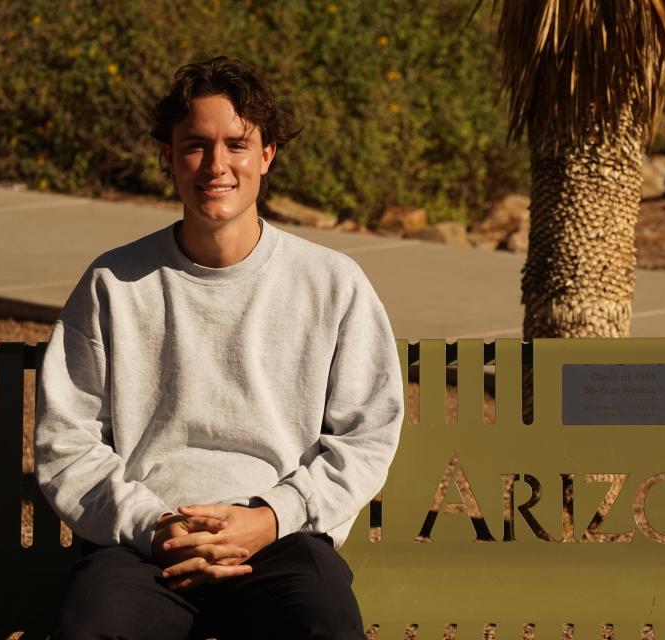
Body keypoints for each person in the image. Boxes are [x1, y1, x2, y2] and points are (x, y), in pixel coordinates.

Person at [34, 56, 404, 639]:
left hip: (279, 538)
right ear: (167, 155)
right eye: (195, 145)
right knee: (91, 628)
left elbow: (366, 435)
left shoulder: (332, 282)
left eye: (237, 144)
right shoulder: (113, 283)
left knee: (324, 625)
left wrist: (272, 516)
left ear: (267, 154)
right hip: (145, 543)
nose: (217, 165)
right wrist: (151, 524)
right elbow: (68, 441)